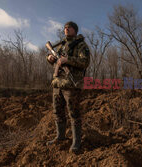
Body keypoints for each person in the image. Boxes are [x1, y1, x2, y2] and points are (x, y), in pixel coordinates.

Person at [46, 21, 90, 153]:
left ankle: (76, 142)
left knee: (74, 114)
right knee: (57, 111)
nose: (66, 29)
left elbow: (85, 62)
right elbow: (53, 58)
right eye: (65, 27)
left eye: (69, 27)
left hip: (72, 85)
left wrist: (67, 60)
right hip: (58, 84)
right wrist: (50, 58)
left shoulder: (81, 45)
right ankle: (60, 136)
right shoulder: (61, 45)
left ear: (75, 30)